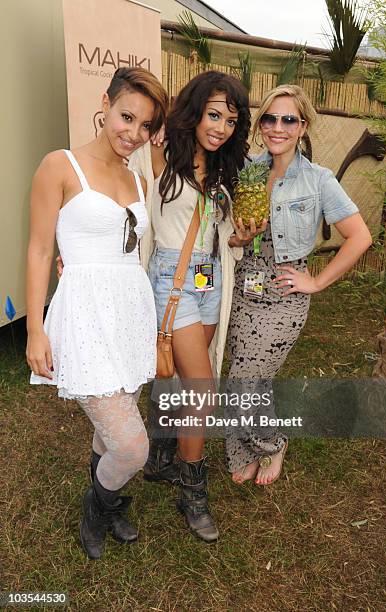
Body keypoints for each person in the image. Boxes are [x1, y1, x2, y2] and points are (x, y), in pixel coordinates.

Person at [26, 67, 168, 559]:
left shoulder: (136, 176)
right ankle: (97, 504)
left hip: (128, 311)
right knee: (133, 445)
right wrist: (34, 330)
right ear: (105, 102)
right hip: (85, 315)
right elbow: (40, 251)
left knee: (112, 426)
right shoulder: (59, 166)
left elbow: (128, 248)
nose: (133, 133)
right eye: (126, 116)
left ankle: (107, 506)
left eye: (146, 126)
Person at [129, 71, 258, 542]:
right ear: (197, 109)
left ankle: (162, 455)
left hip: (209, 278)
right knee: (202, 391)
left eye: (231, 119)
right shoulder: (163, 149)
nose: (221, 126)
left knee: (186, 380)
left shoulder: (225, 169)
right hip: (172, 279)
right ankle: (193, 491)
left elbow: (219, 233)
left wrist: (239, 238)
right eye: (214, 114)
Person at [225, 84, 372, 486]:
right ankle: (244, 450)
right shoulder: (248, 170)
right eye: (270, 118)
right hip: (245, 285)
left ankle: (273, 443)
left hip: (285, 293)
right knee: (250, 373)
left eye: (288, 119)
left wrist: (318, 281)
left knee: (242, 383)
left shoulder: (318, 180)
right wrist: (237, 239)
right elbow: (232, 233)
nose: (278, 127)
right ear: (260, 124)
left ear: (302, 126)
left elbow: (360, 237)